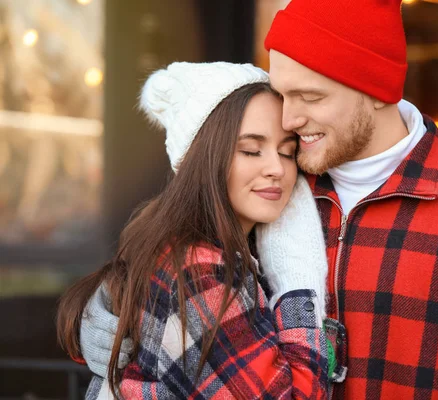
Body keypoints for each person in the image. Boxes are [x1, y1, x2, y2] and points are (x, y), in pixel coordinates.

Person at [80, 0, 438, 398]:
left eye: (310, 97)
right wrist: (112, 324)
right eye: (283, 94)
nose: (288, 119)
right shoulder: (279, 189)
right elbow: (187, 276)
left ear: (375, 89)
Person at [56, 61, 346, 399]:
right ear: (203, 158)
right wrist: (298, 286)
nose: (277, 169)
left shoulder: (224, 252)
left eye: (287, 151)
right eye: (251, 150)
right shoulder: (198, 270)